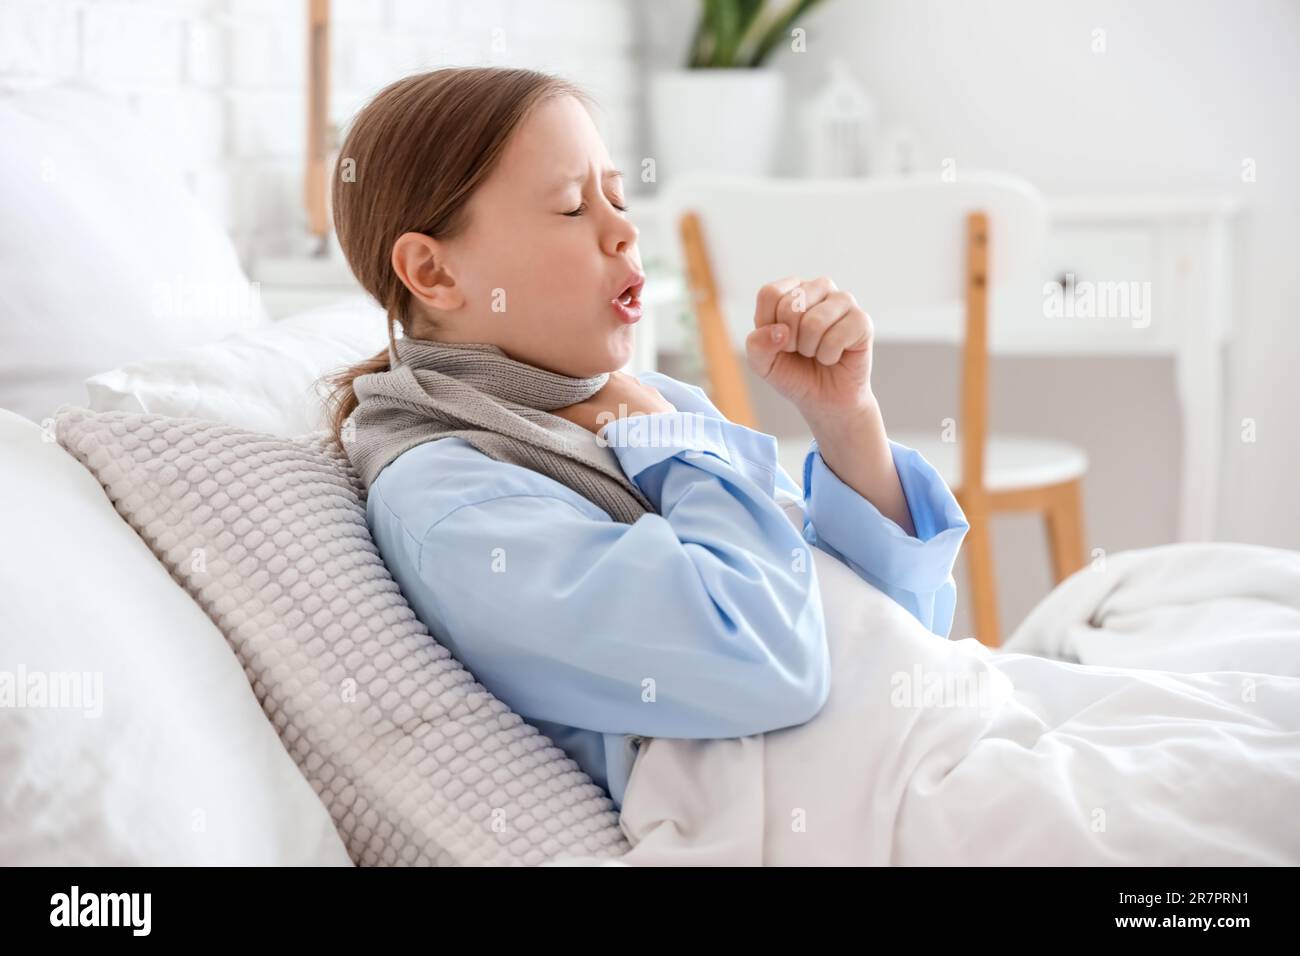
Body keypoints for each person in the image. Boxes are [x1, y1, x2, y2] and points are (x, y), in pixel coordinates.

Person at [321, 67, 970, 812]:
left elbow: (897, 627)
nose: (624, 228)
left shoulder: (636, 402)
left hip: (925, 732)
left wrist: (847, 419)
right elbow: (771, 663)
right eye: (571, 206)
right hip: (839, 803)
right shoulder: (454, 498)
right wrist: (664, 437)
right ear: (433, 271)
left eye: (618, 196)